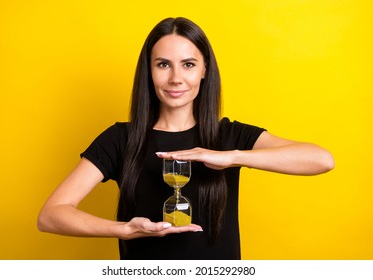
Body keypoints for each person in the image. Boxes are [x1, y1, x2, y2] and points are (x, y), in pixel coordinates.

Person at [37, 17, 334, 259]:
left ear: (205, 69)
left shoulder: (229, 135)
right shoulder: (122, 138)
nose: (176, 78)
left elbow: (321, 159)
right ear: (149, 72)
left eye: (188, 64)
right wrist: (124, 229)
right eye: (163, 64)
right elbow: (51, 215)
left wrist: (231, 157)